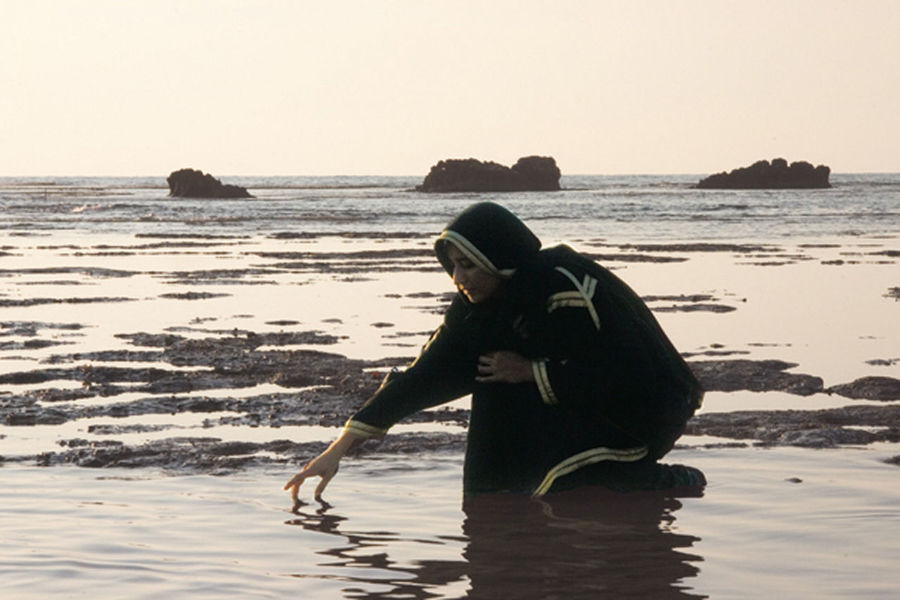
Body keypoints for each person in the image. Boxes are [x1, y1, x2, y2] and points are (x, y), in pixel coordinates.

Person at [285, 202, 705, 501]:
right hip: (574, 395)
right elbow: (423, 377)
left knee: (563, 473)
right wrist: (337, 450)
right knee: (492, 386)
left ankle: (653, 479)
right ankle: (502, 496)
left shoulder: (562, 288)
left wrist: (532, 371)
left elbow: (624, 374)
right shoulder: (474, 309)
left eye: (467, 265)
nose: (457, 277)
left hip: (648, 409)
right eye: (451, 265)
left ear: (498, 259)